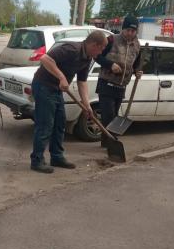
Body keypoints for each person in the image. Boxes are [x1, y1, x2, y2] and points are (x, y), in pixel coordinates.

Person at [30, 30, 108, 173]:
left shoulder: (87, 58)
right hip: (43, 86)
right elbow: (45, 59)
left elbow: (82, 82)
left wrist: (87, 105)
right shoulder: (72, 49)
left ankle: (57, 157)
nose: (101, 52)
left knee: (60, 124)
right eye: (102, 48)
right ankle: (37, 160)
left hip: (56, 90)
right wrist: (61, 77)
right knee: (46, 125)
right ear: (94, 44)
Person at [95, 14, 143, 145]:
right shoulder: (111, 40)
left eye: (133, 31)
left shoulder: (137, 45)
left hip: (121, 86)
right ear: (123, 29)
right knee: (108, 117)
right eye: (128, 30)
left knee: (114, 117)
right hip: (106, 83)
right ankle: (111, 143)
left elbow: (137, 64)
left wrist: (137, 71)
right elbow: (97, 56)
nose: (130, 33)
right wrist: (110, 65)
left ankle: (107, 144)